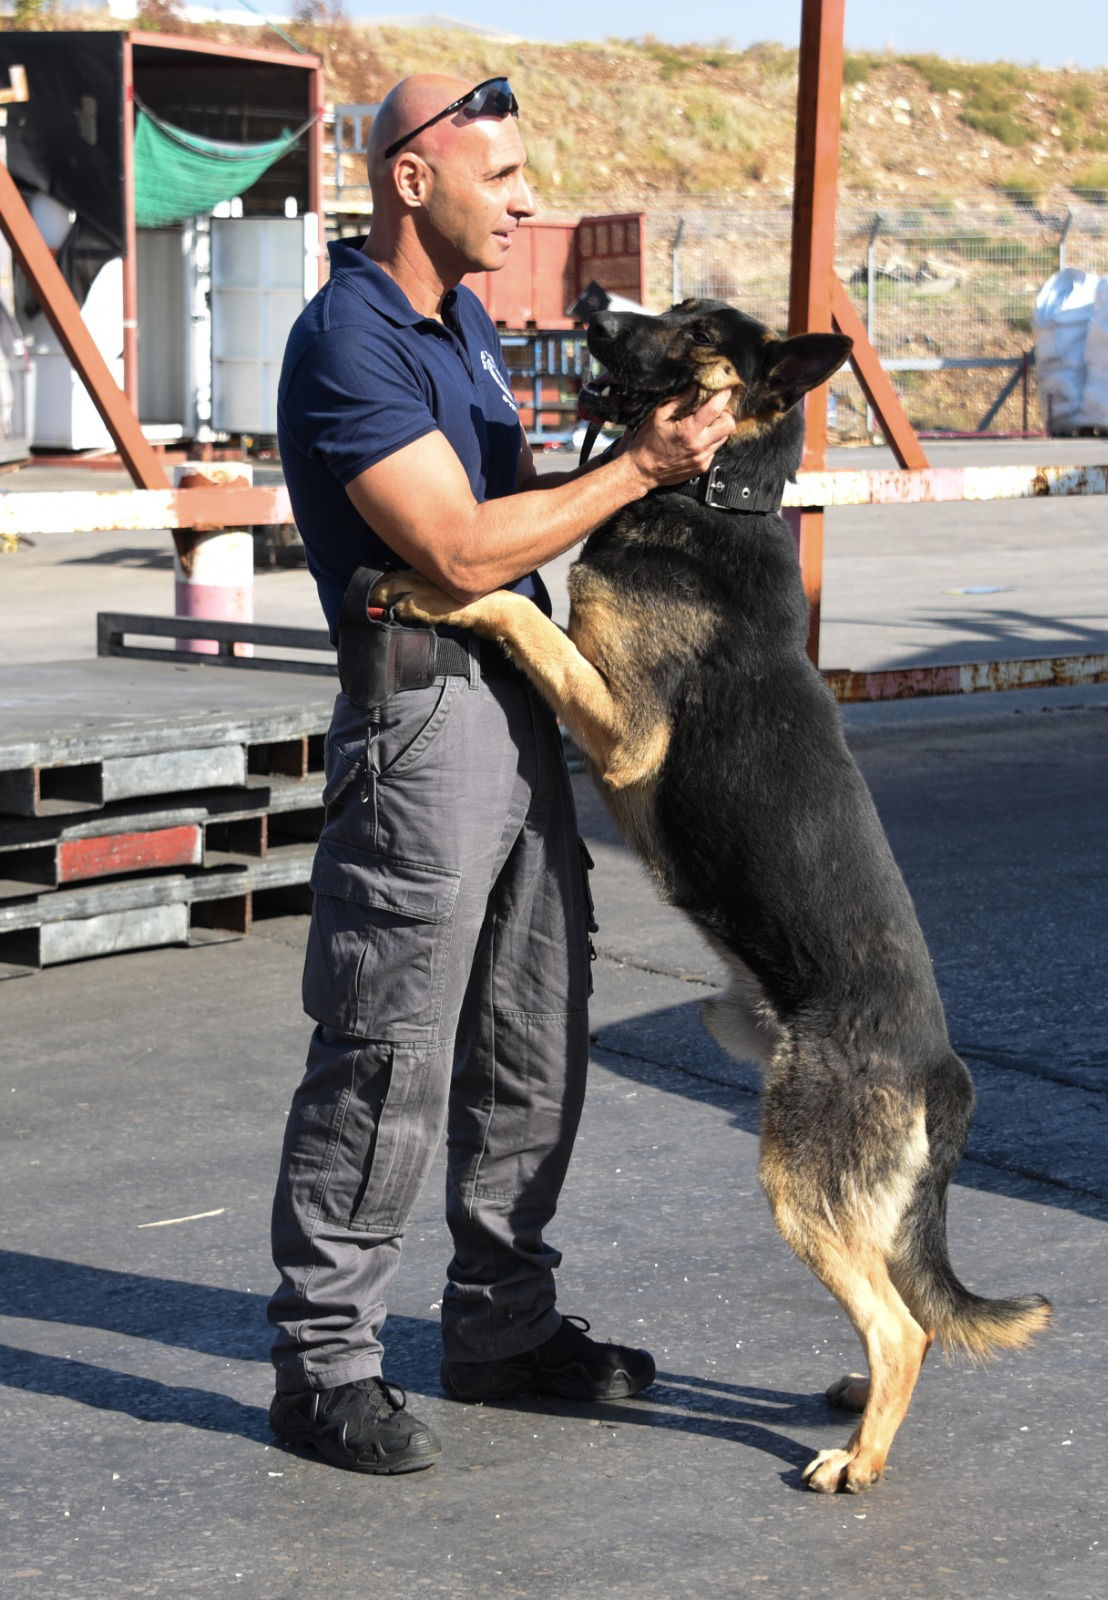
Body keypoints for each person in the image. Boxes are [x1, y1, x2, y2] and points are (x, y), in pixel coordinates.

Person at [266, 72, 734, 1475]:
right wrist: (639, 471)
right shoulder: (349, 339)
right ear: (413, 180)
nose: (530, 200)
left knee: (535, 1027)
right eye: (506, 174)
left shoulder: (459, 325)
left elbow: (522, 526)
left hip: (518, 699)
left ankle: (499, 1326)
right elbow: (462, 552)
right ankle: (325, 1364)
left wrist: (653, 447)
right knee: (389, 1041)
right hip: (425, 722)